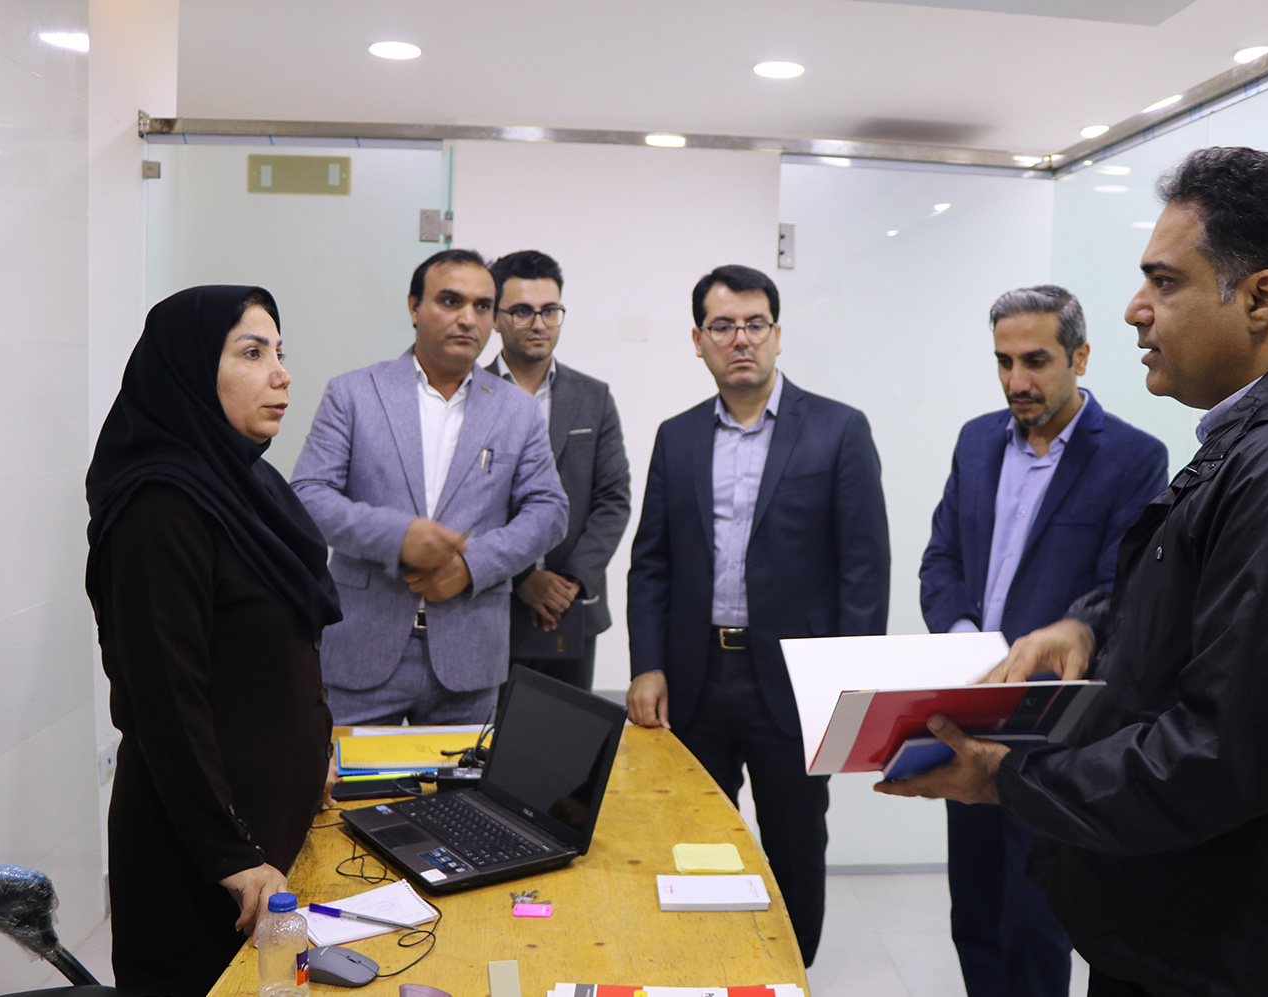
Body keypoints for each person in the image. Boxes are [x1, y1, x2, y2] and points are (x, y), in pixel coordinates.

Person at [878, 146, 1268, 997]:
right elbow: (1202, 602)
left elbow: (1220, 752)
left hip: (1220, 949)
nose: (1136, 309)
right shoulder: (1258, 441)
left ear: (1260, 298)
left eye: (1165, 282)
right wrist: (1089, 625)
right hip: (1184, 922)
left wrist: (1009, 776)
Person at [626, 264, 891, 967]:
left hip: (795, 686)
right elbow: (651, 562)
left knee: (795, 846)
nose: (739, 339)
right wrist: (647, 664)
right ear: (698, 340)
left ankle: (788, 974)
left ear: (777, 334)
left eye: (754, 324)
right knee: (695, 841)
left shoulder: (838, 430)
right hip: (695, 680)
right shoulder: (677, 436)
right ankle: (711, 968)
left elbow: (864, 570)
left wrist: (849, 686)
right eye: (722, 326)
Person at [85, 285, 343, 997]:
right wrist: (231, 854)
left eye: (279, 352)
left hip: (266, 832)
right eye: (252, 353)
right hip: (202, 859)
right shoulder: (160, 506)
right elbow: (166, 701)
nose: (281, 374)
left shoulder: (247, 485)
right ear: (192, 371)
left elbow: (278, 655)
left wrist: (313, 755)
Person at [919, 285, 1167, 997]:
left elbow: (1122, 591)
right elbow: (941, 561)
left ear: (1079, 357)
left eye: (1035, 361)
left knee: (1035, 922)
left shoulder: (1132, 457)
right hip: (970, 709)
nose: (1016, 381)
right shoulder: (976, 441)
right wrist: (965, 640)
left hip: (1055, 727)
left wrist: (1064, 634)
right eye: (1004, 362)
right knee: (974, 912)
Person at [291, 249, 568, 726]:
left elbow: (549, 511)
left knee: (461, 780)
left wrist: (471, 566)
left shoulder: (516, 410)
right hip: (361, 649)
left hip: (469, 657)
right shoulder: (354, 393)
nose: (468, 318)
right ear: (414, 307)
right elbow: (308, 497)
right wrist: (399, 537)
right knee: (344, 778)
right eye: (450, 301)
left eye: (482, 306)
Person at [487, 250, 632, 690]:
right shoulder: (474, 396)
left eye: (550, 311)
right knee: (491, 733)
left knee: (570, 730)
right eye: (522, 311)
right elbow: (464, 505)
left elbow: (613, 500)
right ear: (494, 318)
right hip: (492, 605)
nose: (539, 324)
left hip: (573, 606)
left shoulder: (593, 397)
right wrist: (522, 579)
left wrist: (570, 581)